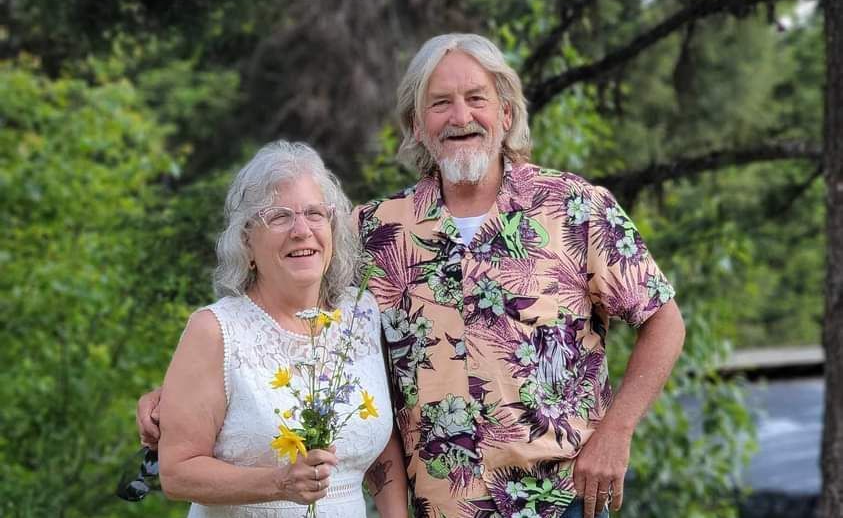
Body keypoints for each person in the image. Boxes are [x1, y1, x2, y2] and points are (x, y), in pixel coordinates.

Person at [141, 34, 685, 518]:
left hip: (560, 500)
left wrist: (616, 431)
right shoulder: (373, 231)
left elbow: (663, 321)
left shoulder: (575, 208)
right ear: (416, 125)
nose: (460, 116)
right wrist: (178, 394)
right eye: (440, 103)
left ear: (506, 112)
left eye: (476, 98)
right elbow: (286, 306)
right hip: (435, 507)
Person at [152, 141, 408, 517]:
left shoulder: (363, 313)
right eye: (279, 216)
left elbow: (381, 444)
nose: (301, 230)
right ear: (247, 242)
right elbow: (176, 472)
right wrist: (278, 482)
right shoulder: (216, 329)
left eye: (314, 213)